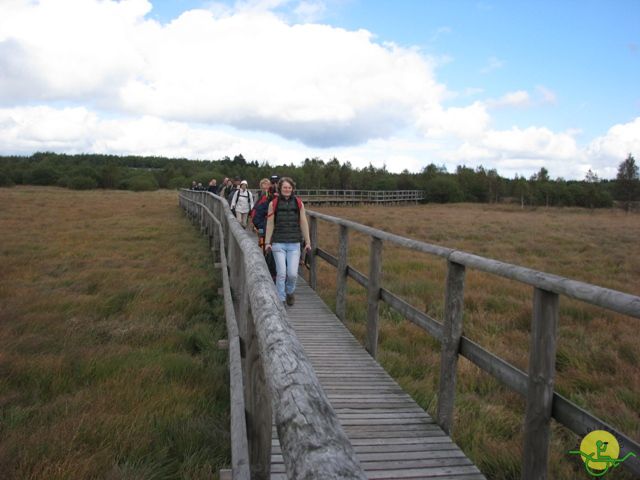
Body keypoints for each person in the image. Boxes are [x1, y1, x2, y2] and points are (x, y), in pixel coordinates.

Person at [265, 177, 311, 306]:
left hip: (294, 243)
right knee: (281, 273)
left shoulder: (298, 203)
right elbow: (270, 224)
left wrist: (307, 242)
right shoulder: (273, 204)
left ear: (292, 189)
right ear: (280, 188)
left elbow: (303, 222)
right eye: (285, 187)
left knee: (292, 274)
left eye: (289, 188)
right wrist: (268, 242)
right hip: (278, 242)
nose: (287, 190)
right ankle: (281, 299)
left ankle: (290, 291)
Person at [251, 178, 275, 250]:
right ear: (261, 186)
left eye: (267, 184)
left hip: (265, 221)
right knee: (261, 235)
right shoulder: (259, 195)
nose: (266, 186)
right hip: (260, 222)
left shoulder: (270, 195)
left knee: (264, 236)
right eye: (264, 185)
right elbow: (256, 208)